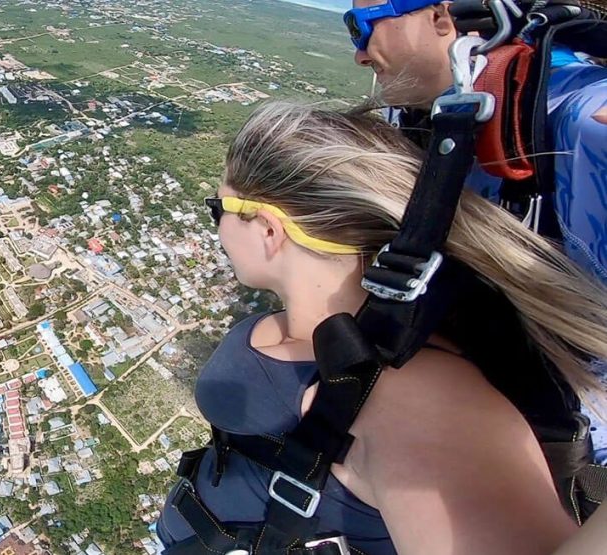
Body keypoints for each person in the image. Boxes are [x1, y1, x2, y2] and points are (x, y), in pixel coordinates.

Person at [156, 102, 607, 554]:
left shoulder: (415, 401)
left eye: (219, 208)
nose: (216, 225)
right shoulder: (334, 344)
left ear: (269, 229)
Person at [343, 0, 607, 461]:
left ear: (441, 17)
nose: (360, 55)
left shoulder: (576, 118)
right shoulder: (421, 118)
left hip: (560, 446)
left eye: (360, 29)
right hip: (487, 413)